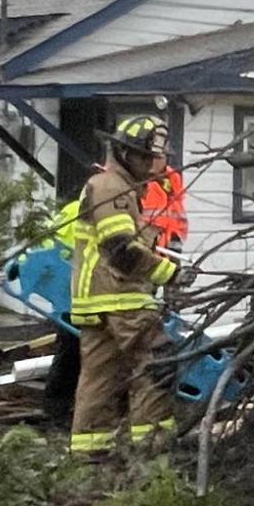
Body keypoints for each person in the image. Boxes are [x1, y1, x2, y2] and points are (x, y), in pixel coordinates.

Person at [70, 115, 181, 454]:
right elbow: (119, 248)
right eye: (143, 157)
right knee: (158, 362)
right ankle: (151, 451)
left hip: (94, 300)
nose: (150, 165)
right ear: (123, 152)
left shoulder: (116, 186)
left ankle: (90, 456)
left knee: (100, 380)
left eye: (153, 158)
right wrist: (168, 273)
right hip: (120, 297)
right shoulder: (111, 186)